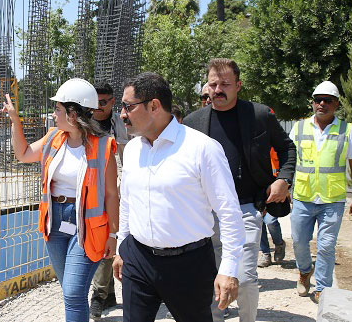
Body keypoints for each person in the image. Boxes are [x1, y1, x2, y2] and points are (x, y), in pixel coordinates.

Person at [112, 72, 245, 322]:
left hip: (190, 265)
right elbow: (128, 201)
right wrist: (122, 247)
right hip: (138, 259)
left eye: (128, 106)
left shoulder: (202, 148)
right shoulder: (131, 150)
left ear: (154, 106)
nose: (122, 114)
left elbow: (229, 212)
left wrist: (228, 269)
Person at [183, 58, 296, 322]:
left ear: (238, 86)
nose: (217, 89)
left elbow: (287, 148)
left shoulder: (259, 115)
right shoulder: (192, 123)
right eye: (213, 84)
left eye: (225, 84)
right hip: (205, 213)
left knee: (243, 278)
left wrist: (284, 179)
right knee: (211, 278)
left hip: (246, 208)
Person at [2, 78, 120, 322]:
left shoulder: (104, 146)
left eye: (58, 109)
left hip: (87, 225)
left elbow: (111, 194)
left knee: (74, 292)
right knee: (69, 292)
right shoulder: (53, 138)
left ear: (73, 113)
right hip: (55, 222)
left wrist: (113, 234)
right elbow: (23, 154)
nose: (54, 114)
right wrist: (15, 120)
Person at [290, 81, 352, 303]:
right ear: (312, 103)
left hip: (333, 199)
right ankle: (304, 271)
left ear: (337, 104)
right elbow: (289, 159)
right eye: (317, 100)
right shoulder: (299, 127)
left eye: (327, 100)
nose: (322, 104)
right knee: (299, 242)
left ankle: (323, 287)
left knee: (326, 246)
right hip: (303, 196)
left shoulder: (348, 131)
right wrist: (282, 184)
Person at [89, 82, 129, 320]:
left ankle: (99, 294)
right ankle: (106, 293)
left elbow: (126, 158)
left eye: (103, 102)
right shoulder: (85, 123)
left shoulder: (121, 124)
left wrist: (124, 189)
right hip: (92, 193)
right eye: (94, 103)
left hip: (116, 192)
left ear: (113, 102)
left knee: (109, 240)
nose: (98, 107)